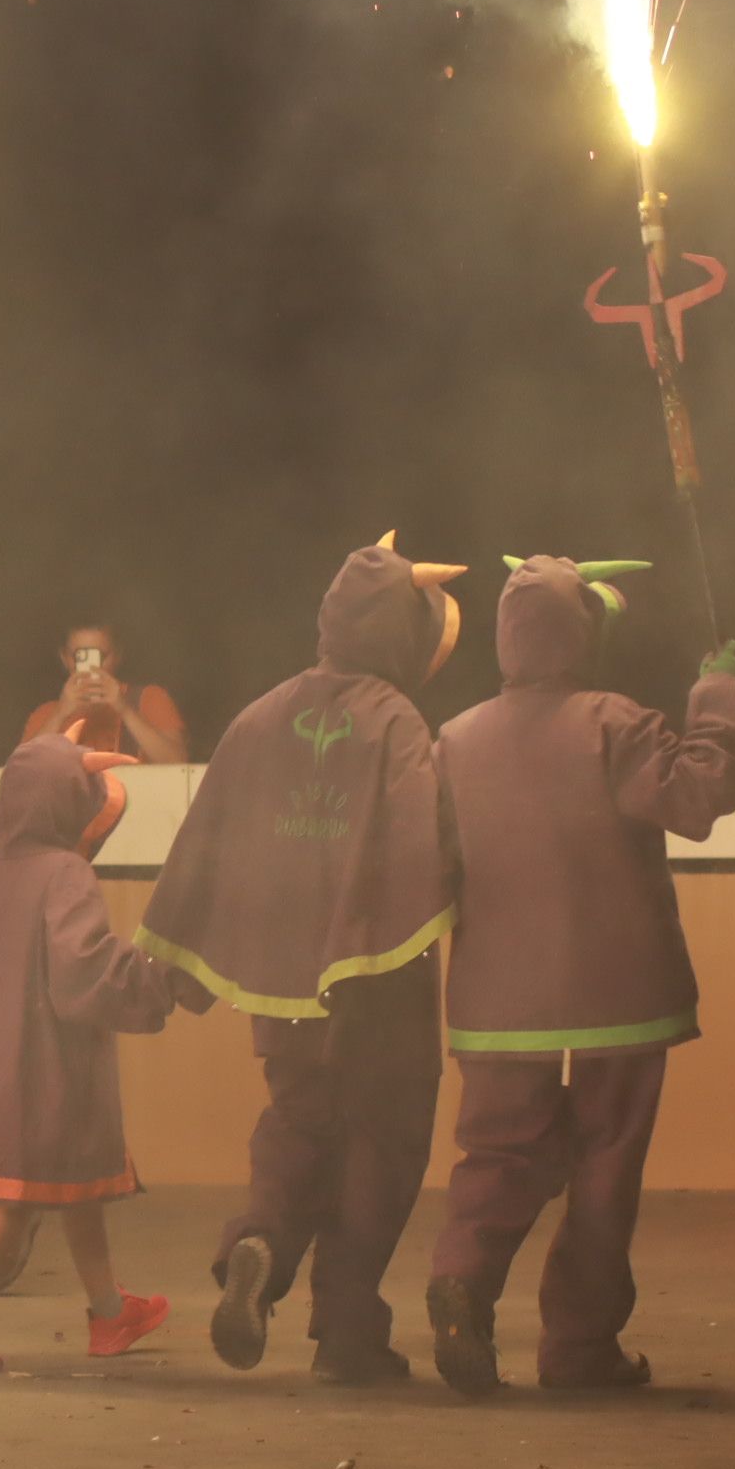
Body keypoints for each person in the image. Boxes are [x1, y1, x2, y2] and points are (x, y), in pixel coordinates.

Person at [136, 538, 462, 1383]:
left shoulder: (259, 715)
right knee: (382, 1143)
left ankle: (259, 1242)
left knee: (298, 1124)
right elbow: (425, 840)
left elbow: (205, 837)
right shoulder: (396, 720)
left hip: (280, 981)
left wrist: (177, 954)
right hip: (376, 977)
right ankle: (349, 1331)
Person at [423, 558, 735, 1398]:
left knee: (495, 1152)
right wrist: (717, 699)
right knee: (605, 1164)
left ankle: (462, 1273)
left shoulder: (452, 740)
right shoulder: (616, 722)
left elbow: (427, 865)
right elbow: (698, 797)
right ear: (580, 635)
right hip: (620, 996)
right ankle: (577, 1349)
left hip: (497, 1001)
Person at [0, 729, 188, 1376]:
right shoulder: (66, 874)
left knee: (73, 1186)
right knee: (18, 1201)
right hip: (53, 1075)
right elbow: (83, 967)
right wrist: (151, 978)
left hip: (1, 1075)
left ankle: (110, 1311)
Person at [20, 624, 185, 764]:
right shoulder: (46, 714)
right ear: (64, 658)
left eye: (100, 656)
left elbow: (180, 766)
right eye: (80, 656)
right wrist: (60, 714)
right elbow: (20, 774)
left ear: (117, 656)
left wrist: (125, 709)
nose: (92, 666)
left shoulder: (149, 700)